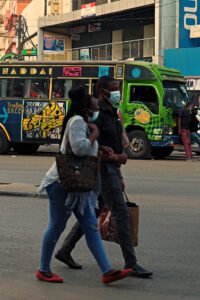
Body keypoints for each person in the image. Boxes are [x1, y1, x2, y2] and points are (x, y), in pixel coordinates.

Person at [55, 76, 153, 278]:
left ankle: (65, 250)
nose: (118, 92)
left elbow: (115, 145)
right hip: (100, 172)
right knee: (120, 213)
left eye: (118, 88)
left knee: (94, 212)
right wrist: (116, 158)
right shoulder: (96, 115)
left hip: (111, 171)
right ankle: (131, 263)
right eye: (114, 89)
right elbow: (89, 148)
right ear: (103, 92)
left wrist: (119, 171)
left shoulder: (113, 114)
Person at [36, 85, 133, 284]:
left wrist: (99, 147)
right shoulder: (78, 121)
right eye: (93, 99)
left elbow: (84, 147)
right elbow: (79, 149)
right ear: (86, 105)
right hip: (63, 184)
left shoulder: (82, 121)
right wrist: (95, 135)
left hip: (77, 187)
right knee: (56, 226)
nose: (96, 101)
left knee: (90, 226)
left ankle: (107, 271)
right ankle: (43, 270)